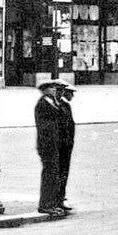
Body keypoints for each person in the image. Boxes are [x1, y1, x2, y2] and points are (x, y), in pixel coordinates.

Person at [34, 80, 68, 217]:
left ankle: (52, 203)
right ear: (45, 90)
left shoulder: (53, 102)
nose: (55, 91)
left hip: (54, 144)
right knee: (50, 173)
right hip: (47, 144)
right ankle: (46, 205)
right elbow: (45, 126)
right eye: (53, 88)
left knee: (54, 173)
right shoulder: (43, 104)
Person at [55, 83, 77, 212]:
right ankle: (58, 199)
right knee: (60, 172)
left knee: (64, 172)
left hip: (67, 145)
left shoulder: (65, 106)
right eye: (71, 93)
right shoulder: (60, 106)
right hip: (61, 145)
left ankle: (61, 198)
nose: (72, 96)